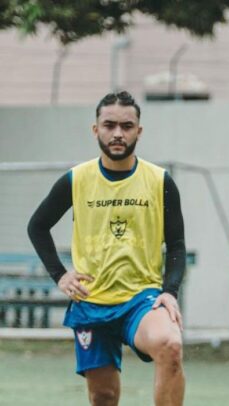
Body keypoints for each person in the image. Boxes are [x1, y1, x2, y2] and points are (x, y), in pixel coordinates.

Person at [27, 91, 187, 406]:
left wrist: (169, 290)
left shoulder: (159, 181)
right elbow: (37, 226)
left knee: (170, 344)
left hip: (142, 300)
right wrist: (59, 275)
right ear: (95, 129)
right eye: (109, 125)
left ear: (138, 131)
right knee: (103, 396)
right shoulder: (76, 179)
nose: (117, 133)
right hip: (91, 301)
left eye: (126, 126)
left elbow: (178, 244)